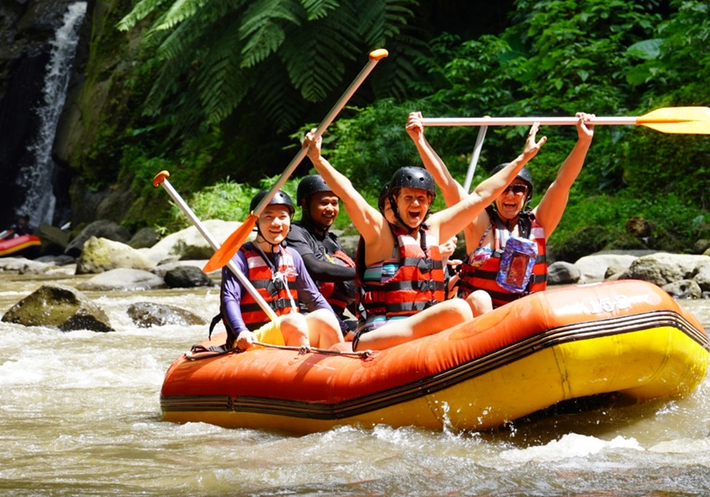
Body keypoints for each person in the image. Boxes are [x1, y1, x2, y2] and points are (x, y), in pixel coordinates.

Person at [302, 121, 547, 351]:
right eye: (408, 197)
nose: (415, 204)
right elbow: (349, 193)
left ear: (429, 203)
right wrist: (318, 159)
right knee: (457, 310)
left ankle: (493, 361)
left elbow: (481, 196)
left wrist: (523, 158)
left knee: (479, 299)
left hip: (424, 334)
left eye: (422, 198)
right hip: (380, 334)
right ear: (394, 201)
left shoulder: (434, 230)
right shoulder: (381, 233)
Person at [407, 111, 595, 307]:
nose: (511, 195)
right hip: (482, 319)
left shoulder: (539, 223)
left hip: (524, 318)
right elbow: (447, 184)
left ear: (526, 195)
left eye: (518, 189)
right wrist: (420, 140)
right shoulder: (479, 222)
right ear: (494, 193)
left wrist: (583, 141)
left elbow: (563, 183)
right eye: (504, 189)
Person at [219, 189, 345, 352]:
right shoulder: (239, 257)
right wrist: (241, 331)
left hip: (290, 330)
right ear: (256, 222)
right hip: (253, 339)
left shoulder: (293, 256)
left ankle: (335, 371)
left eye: (283, 217)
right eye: (268, 217)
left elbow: (314, 298)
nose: (277, 223)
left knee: (325, 317)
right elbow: (229, 298)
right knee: (294, 321)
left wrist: (343, 328)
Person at [286, 175, 359, 335]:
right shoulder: (294, 232)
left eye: (334, 203)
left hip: (336, 318)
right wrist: (362, 272)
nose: (331, 208)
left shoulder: (332, 241)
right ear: (305, 203)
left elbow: (347, 288)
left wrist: (368, 318)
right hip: (307, 317)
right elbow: (314, 268)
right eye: (324, 202)